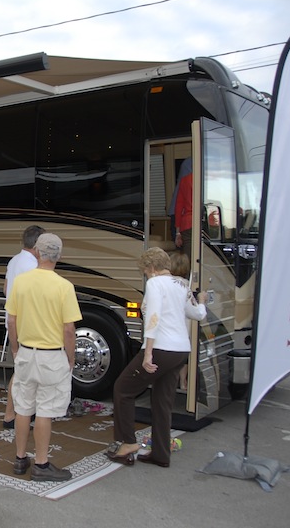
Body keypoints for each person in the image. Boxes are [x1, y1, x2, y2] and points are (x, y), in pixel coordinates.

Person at [106, 247, 206, 467]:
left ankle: (127, 442)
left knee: (123, 389)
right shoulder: (182, 285)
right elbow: (197, 314)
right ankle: (161, 453)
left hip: (160, 347)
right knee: (162, 402)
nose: (145, 274)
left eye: (144, 270)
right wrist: (204, 301)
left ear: (151, 267)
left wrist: (147, 352)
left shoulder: (154, 284)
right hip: (180, 351)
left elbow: (153, 318)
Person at [6, 233, 82, 481]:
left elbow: (12, 320)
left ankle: (20, 459)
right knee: (45, 411)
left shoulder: (22, 282)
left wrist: (16, 349)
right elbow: (68, 330)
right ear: (60, 256)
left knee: (23, 408)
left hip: (26, 353)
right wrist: (70, 359)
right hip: (51, 356)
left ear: (37, 252)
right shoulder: (64, 286)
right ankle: (41, 463)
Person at [1, 224, 44, 428]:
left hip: (13, 321)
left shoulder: (14, 261)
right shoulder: (34, 267)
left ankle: (22, 412)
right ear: (37, 245)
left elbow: (5, 289)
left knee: (24, 371)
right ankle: (10, 415)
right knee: (22, 373)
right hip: (27, 324)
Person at [169, 250, 192, 391]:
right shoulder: (188, 286)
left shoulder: (165, 284)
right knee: (184, 359)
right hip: (184, 330)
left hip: (169, 329)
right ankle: (183, 382)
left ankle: (171, 381)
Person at [172, 158, 193, 256]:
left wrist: (178, 232)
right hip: (206, 224)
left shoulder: (185, 180)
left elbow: (179, 207)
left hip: (187, 224)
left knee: (188, 257)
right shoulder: (208, 181)